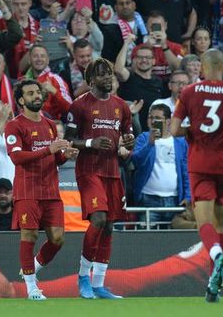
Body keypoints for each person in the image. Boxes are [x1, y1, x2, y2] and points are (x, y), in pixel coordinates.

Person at [170, 48, 223, 302]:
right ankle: (216, 287)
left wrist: (193, 128)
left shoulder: (189, 92)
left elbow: (174, 130)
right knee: (221, 224)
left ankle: (216, 255)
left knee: (204, 222)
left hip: (201, 163)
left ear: (202, 68)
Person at [65, 58, 134, 299]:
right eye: (102, 74)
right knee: (99, 219)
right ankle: (83, 276)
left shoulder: (121, 106)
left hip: (112, 171)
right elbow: (69, 139)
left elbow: (127, 137)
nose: (108, 77)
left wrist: (129, 144)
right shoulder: (79, 106)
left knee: (109, 225)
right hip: (89, 170)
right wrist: (90, 143)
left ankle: (99, 284)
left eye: (110, 74)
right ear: (91, 80)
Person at [5, 79, 78, 300]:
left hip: (50, 191)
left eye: (38, 92)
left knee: (57, 239)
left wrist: (65, 155)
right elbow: (17, 157)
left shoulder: (49, 124)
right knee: (29, 235)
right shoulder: (14, 125)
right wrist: (48, 149)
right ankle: (31, 288)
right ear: (21, 100)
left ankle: (32, 269)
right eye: (30, 94)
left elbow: (56, 158)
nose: (37, 96)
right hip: (28, 190)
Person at [131, 103, 190, 226]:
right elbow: (137, 161)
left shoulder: (180, 143)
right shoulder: (143, 138)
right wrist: (150, 144)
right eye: (150, 117)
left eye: (157, 118)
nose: (153, 121)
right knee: (146, 241)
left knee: (174, 242)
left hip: (175, 200)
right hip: (148, 199)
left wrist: (188, 196)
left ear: (168, 121)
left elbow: (187, 171)